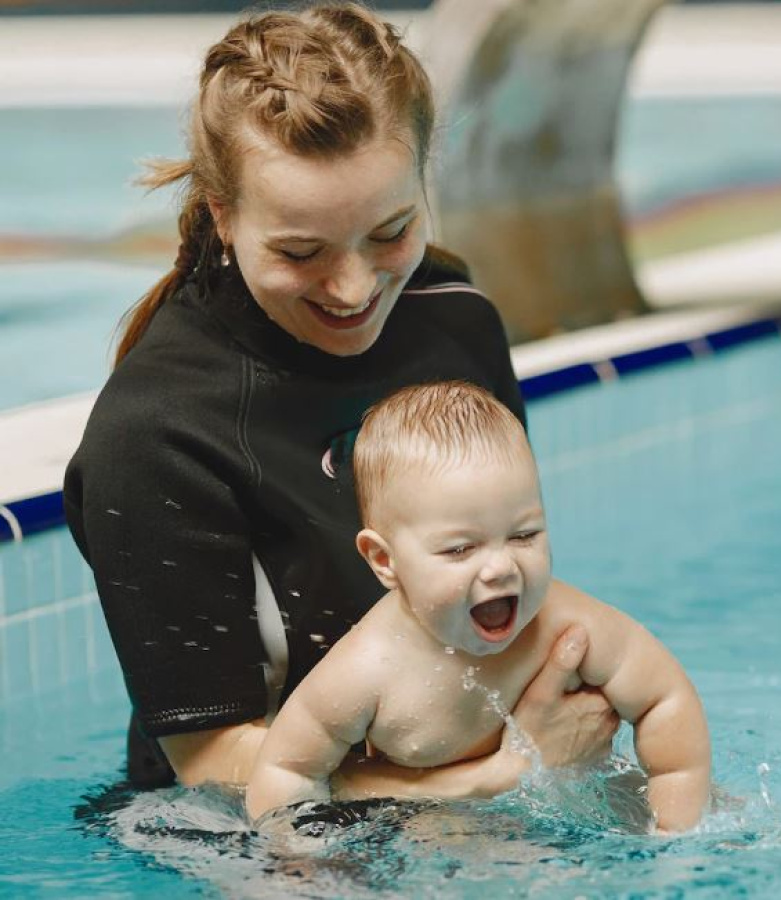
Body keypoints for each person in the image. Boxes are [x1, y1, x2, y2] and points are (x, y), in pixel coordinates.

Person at [63, 2, 618, 797]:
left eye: (390, 230)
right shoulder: (157, 434)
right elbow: (212, 767)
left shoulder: (456, 321)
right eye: (301, 251)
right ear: (223, 215)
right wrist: (501, 776)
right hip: (244, 843)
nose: (355, 289)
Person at [245, 382, 711, 832]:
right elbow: (287, 772)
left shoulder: (568, 624)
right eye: (460, 550)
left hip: (582, 823)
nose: (501, 567)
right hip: (441, 844)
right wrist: (301, 864)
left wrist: (675, 827)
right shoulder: (367, 670)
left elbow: (664, 699)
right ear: (385, 561)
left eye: (524, 535)